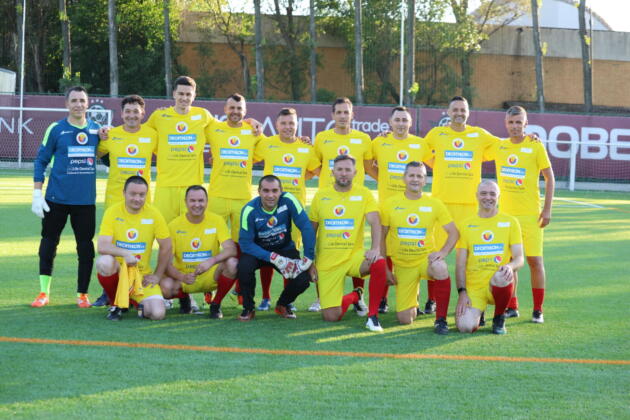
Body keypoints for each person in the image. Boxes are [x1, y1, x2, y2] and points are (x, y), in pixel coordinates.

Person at [421, 96, 500, 315]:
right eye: (455, 109)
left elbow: (504, 146)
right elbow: (419, 150)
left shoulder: (479, 135)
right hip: (442, 204)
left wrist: (528, 137)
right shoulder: (436, 134)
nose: (459, 113)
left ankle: (473, 297)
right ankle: (432, 299)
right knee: (436, 253)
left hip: (469, 206)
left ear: (468, 112)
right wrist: (438, 165)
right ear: (448, 112)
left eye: (462, 109)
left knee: (470, 257)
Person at [31, 86, 101, 308]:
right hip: (56, 199)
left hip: (85, 202)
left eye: (82, 100)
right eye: (74, 100)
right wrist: (37, 193)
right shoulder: (56, 129)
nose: (78, 104)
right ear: (66, 104)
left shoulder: (97, 130)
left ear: (87, 104)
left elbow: (109, 158)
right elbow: (41, 160)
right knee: (48, 245)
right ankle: (43, 292)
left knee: (86, 249)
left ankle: (82, 294)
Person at [309, 97, 376, 312]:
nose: (342, 116)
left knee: (357, 247)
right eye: (338, 112)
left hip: (355, 202)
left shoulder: (364, 139)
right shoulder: (322, 138)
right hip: (328, 201)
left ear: (352, 115)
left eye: (346, 112)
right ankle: (321, 298)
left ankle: (359, 295)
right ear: (332, 115)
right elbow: (314, 166)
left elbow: (370, 168)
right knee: (324, 248)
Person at [488, 106, 555, 323]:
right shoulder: (499, 146)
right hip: (506, 217)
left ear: (526, 124)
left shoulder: (535, 145)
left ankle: (538, 309)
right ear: (505, 124)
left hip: (530, 217)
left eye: (519, 122)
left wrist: (547, 209)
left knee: (535, 261)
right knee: (508, 262)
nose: (515, 126)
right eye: (511, 122)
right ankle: (512, 306)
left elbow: (550, 178)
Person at [309, 155, 388, 332]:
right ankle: (355, 295)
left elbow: (375, 221)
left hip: (353, 257)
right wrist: (310, 261)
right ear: (332, 172)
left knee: (378, 261)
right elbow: (311, 231)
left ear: (355, 172)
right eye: (339, 169)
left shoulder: (364, 194)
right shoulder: (321, 196)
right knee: (331, 316)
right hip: (328, 262)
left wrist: (375, 248)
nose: (343, 173)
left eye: (347, 170)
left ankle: (372, 317)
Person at [252, 107, 321, 311]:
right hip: (269, 209)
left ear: (297, 125)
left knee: (290, 254)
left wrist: (302, 177)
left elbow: (317, 171)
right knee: (267, 251)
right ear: (276, 125)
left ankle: (286, 299)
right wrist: (249, 120)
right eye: (283, 123)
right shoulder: (267, 143)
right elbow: (248, 155)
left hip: (294, 211)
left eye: (291, 123)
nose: (288, 127)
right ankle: (265, 297)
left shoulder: (306, 148)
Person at [380, 162, 459, 334]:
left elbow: (454, 232)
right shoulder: (390, 203)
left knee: (440, 267)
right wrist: (385, 268)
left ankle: (441, 320)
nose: (415, 179)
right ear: (404, 178)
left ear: (424, 180)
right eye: (411, 175)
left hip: (425, 261)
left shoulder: (434, 204)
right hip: (403, 265)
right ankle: (413, 300)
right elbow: (381, 236)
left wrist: (443, 252)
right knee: (404, 319)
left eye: (419, 176)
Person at [371, 106, 432, 314]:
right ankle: (382, 299)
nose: (401, 123)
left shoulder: (420, 144)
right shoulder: (379, 142)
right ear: (390, 122)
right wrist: (382, 179)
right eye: (397, 120)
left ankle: (416, 300)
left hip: (413, 206)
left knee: (412, 251)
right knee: (385, 251)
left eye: (405, 120)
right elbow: (367, 164)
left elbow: (435, 163)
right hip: (388, 206)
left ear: (410, 123)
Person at [236, 175, 316, 321]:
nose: (270, 195)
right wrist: (272, 257)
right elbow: (246, 244)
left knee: (303, 279)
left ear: (281, 191)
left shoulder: (289, 200)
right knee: (244, 267)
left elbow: (306, 226)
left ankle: (283, 304)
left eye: (274, 191)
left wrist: (308, 257)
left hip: (284, 248)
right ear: (259, 191)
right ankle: (248, 308)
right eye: (266, 191)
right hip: (258, 251)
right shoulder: (249, 209)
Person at [95, 176, 172, 321]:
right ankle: (116, 304)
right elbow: (102, 246)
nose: (137, 198)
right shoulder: (112, 212)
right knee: (104, 262)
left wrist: (157, 275)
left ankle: (133, 301)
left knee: (157, 314)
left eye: (142, 195)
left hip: (141, 276)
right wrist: (125, 253)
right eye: (133, 194)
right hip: (119, 272)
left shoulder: (154, 214)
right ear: (124, 193)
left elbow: (167, 246)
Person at [455, 180, 524, 335]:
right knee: (465, 327)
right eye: (484, 193)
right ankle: (479, 312)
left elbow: (519, 258)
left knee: (502, 275)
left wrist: (510, 266)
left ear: (498, 197)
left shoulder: (510, 222)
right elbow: (460, 265)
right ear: (476, 196)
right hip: (475, 288)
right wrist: (462, 293)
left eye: (492, 194)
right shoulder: (466, 225)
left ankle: (499, 317)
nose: (488, 197)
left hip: (498, 283)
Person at [160, 185, 238, 319]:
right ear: (185, 202)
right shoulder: (174, 225)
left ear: (207, 202)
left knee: (233, 264)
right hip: (185, 278)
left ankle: (216, 304)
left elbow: (231, 249)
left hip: (210, 275)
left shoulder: (216, 220)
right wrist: (181, 276)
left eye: (201, 200)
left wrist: (211, 261)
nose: (197, 205)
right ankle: (185, 299)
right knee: (165, 287)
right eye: (192, 200)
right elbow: (166, 263)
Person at [97, 95, 157, 209]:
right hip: (115, 199)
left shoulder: (152, 135)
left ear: (143, 114)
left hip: (142, 198)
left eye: (136, 111)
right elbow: (96, 153)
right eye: (128, 111)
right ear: (122, 114)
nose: (131, 115)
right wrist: (99, 132)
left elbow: (166, 153)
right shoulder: (110, 134)